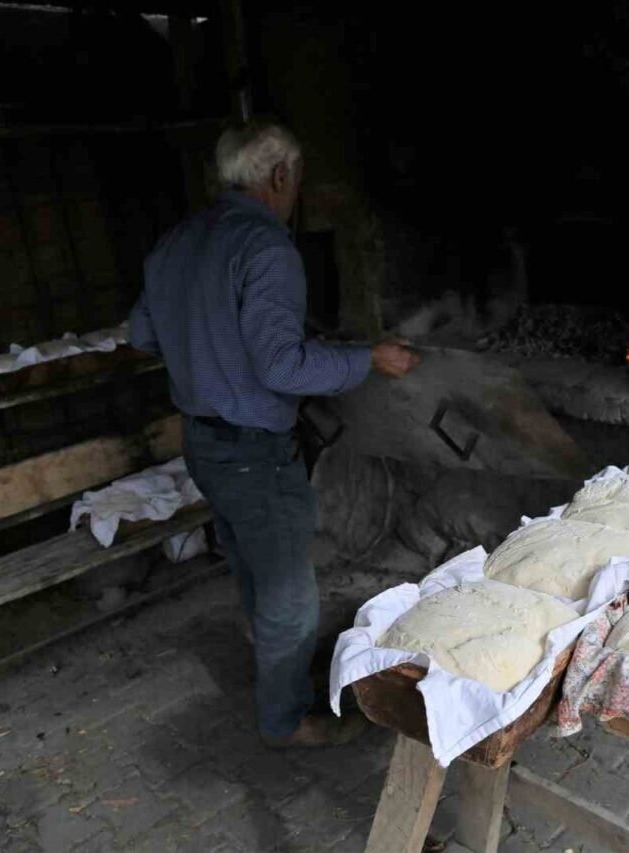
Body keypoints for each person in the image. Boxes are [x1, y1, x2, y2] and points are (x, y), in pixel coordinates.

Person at [129, 119, 419, 747]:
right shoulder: (265, 248)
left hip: (202, 441)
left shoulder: (175, 242)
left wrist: (208, 354)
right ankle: (286, 719)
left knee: (250, 558)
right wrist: (370, 358)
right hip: (252, 452)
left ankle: (269, 653)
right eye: (297, 182)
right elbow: (282, 366)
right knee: (290, 593)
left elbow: (143, 336)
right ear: (280, 175)